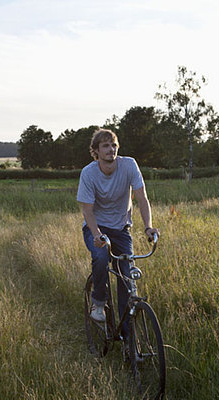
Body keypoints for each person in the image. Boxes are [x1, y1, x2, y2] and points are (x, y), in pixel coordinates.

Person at [77, 128, 159, 342]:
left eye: (113, 145)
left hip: (121, 229)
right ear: (96, 151)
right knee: (102, 256)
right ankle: (98, 302)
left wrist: (148, 227)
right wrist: (97, 235)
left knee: (127, 278)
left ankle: (127, 337)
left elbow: (142, 198)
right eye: (105, 145)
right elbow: (87, 210)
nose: (110, 149)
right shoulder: (89, 173)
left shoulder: (129, 165)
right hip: (96, 227)